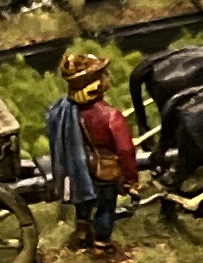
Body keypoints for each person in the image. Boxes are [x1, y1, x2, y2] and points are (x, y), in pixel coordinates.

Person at [44, 47, 140, 247]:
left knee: (84, 201)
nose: (107, 77)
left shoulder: (65, 110)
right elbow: (125, 150)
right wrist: (131, 180)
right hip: (103, 169)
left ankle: (82, 230)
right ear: (95, 83)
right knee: (106, 206)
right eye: (103, 74)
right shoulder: (111, 116)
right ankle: (101, 245)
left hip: (78, 167)